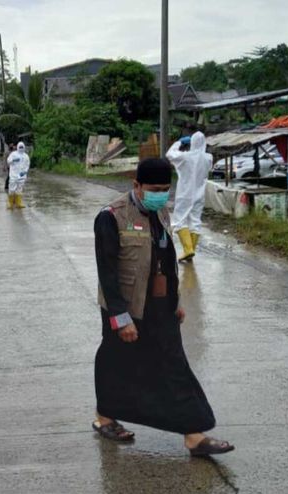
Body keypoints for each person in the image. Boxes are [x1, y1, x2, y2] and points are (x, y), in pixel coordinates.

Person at [92, 158, 234, 457]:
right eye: (154, 189)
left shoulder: (161, 212)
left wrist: (176, 301)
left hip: (160, 306)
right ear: (137, 186)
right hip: (127, 308)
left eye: (166, 189)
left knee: (174, 365)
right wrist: (121, 318)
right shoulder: (111, 217)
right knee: (116, 363)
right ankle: (105, 417)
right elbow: (107, 272)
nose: (160, 194)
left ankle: (194, 435)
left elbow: (168, 262)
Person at [167, 131, 213, 262]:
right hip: (199, 193)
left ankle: (188, 250)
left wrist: (179, 143)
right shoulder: (208, 157)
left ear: (191, 142)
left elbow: (169, 154)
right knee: (195, 221)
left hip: (185, 193)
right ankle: (191, 250)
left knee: (179, 220)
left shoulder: (185, 157)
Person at [6, 142, 30, 209]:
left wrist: (25, 172)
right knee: (11, 189)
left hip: (21, 176)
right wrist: (13, 160)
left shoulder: (26, 156)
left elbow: (27, 165)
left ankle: (18, 203)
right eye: (20, 147)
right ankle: (10, 203)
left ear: (24, 147)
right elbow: (8, 161)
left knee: (19, 189)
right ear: (17, 147)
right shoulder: (13, 154)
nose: (21, 149)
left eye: (22, 147)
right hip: (13, 175)